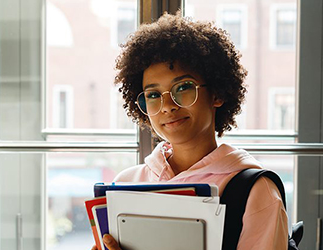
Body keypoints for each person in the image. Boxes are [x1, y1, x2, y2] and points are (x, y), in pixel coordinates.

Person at [92, 12, 288, 250]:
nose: (167, 106)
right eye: (153, 95)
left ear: (217, 93)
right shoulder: (124, 185)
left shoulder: (256, 191)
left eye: (183, 87)